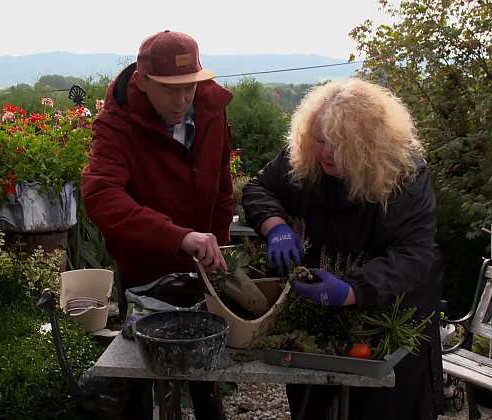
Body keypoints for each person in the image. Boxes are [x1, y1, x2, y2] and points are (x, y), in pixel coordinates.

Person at [242, 78, 444, 420]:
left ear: (368, 145)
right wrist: (274, 225)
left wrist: (354, 289)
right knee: (315, 401)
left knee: (384, 407)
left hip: (390, 312)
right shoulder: (308, 159)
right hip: (320, 304)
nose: (325, 152)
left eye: (338, 144)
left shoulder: (404, 175)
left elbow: (413, 253)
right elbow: (260, 186)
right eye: (320, 140)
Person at [81, 30, 233, 420]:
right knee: (139, 373)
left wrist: (220, 247)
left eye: (190, 89)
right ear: (143, 82)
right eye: (170, 90)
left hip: (202, 268)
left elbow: (221, 187)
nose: (183, 101)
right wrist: (178, 236)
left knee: (206, 374)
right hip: (144, 273)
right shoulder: (116, 124)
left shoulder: (213, 109)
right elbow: (101, 197)